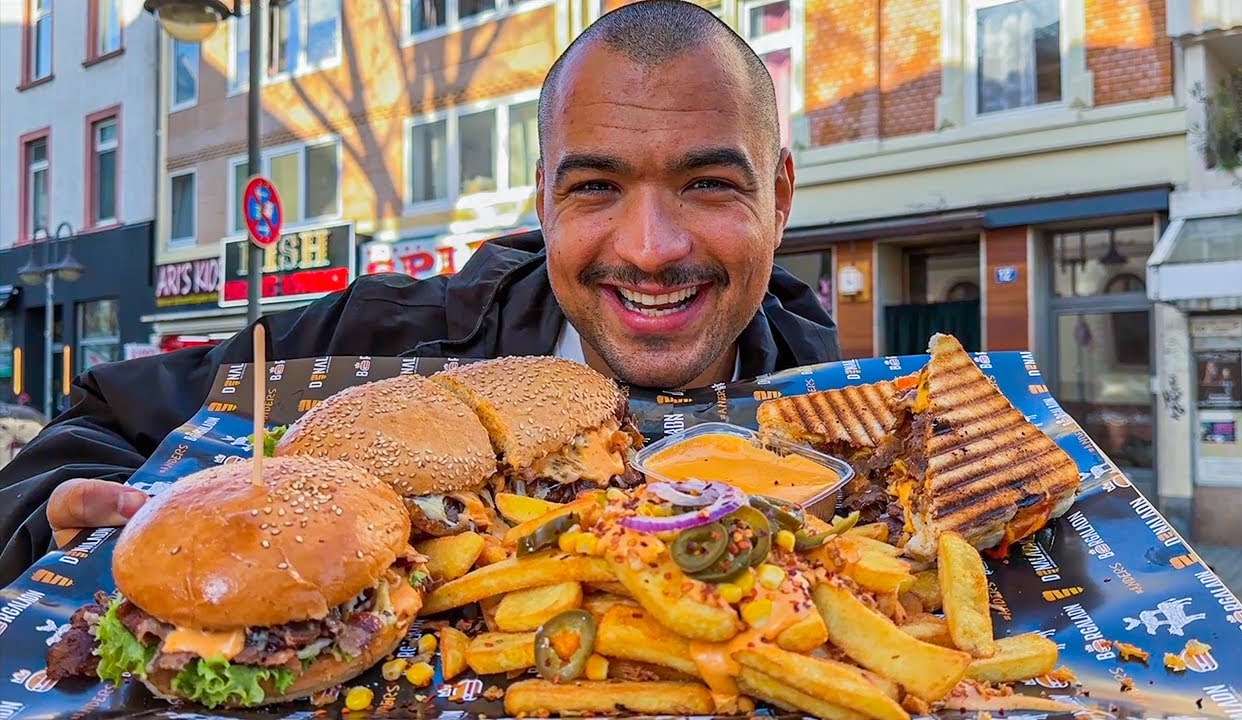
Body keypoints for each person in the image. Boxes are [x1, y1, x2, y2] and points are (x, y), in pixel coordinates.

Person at [0, 0, 839, 586]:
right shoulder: (374, 338)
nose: (650, 249)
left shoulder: (849, 414)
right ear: (544, 200)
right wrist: (52, 514)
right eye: (595, 188)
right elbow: (97, 424)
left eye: (707, 184)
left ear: (778, 197)